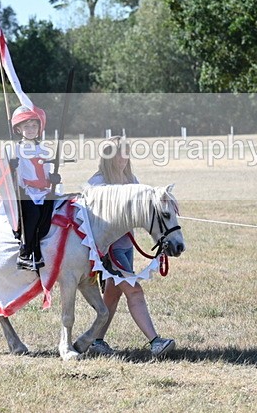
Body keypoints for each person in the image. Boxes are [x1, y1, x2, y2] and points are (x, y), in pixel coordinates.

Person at [86, 136, 175, 359]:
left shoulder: (130, 179)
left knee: (113, 293)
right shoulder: (98, 182)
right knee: (134, 291)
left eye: (126, 152)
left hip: (126, 245)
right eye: (119, 152)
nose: (124, 157)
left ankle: (95, 341)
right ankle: (155, 342)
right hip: (111, 250)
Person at [9, 105, 60, 271]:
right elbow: (10, 176)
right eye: (26, 126)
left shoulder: (43, 149)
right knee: (32, 215)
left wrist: (53, 178)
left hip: (44, 192)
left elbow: (45, 171)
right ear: (18, 129)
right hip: (26, 192)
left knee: (46, 219)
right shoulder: (14, 149)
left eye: (34, 126)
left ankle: (38, 252)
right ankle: (24, 253)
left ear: (39, 128)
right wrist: (11, 167)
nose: (31, 129)